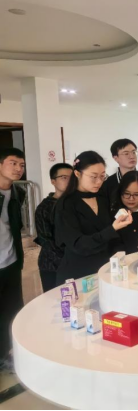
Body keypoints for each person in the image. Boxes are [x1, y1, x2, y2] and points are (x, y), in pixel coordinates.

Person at [55, 151, 133, 285]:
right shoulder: (66, 204)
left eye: (102, 176)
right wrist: (112, 229)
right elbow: (78, 245)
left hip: (105, 269)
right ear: (77, 174)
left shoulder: (102, 198)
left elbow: (114, 238)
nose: (99, 182)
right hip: (78, 273)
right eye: (93, 177)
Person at [0, 148, 26, 371]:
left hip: (10, 260)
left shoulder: (18, 193)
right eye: (13, 163)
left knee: (12, 309)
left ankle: (6, 352)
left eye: (22, 165)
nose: (18, 168)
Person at [34, 163, 72, 293]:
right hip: (52, 264)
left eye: (72, 177)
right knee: (54, 298)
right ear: (53, 181)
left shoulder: (76, 203)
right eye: (64, 177)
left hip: (75, 261)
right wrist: (67, 260)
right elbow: (45, 240)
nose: (69, 181)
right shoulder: (44, 208)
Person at [101, 139, 138, 207]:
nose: (132, 156)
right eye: (126, 153)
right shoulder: (107, 185)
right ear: (116, 158)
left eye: (134, 152)